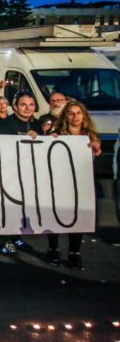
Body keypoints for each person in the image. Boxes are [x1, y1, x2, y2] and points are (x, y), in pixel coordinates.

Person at [47, 101, 101, 270]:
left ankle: (74, 253)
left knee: (77, 216)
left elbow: (94, 156)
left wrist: (96, 149)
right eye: (71, 113)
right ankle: (53, 248)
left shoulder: (90, 135)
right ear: (65, 116)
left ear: (84, 116)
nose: (75, 116)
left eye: (79, 113)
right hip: (59, 180)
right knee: (55, 213)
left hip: (81, 182)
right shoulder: (56, 134)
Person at [0, 91, 44, 256]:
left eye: (31, 105)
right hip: (9, 173)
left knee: (23, 207)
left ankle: (16, 237)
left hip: (29, 173)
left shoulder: (36, 125)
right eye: (23, 104)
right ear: (15, 106)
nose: (27, 108)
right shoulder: (5, 123)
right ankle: (4, 241)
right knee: (8, 207)